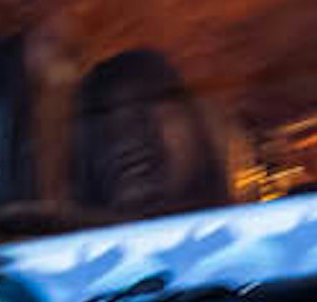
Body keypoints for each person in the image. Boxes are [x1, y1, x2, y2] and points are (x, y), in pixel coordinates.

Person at [68, 49, 235, 220]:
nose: (125, 141)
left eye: (143, 117)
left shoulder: (250, 229)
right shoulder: (65, 242)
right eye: (105, 131)